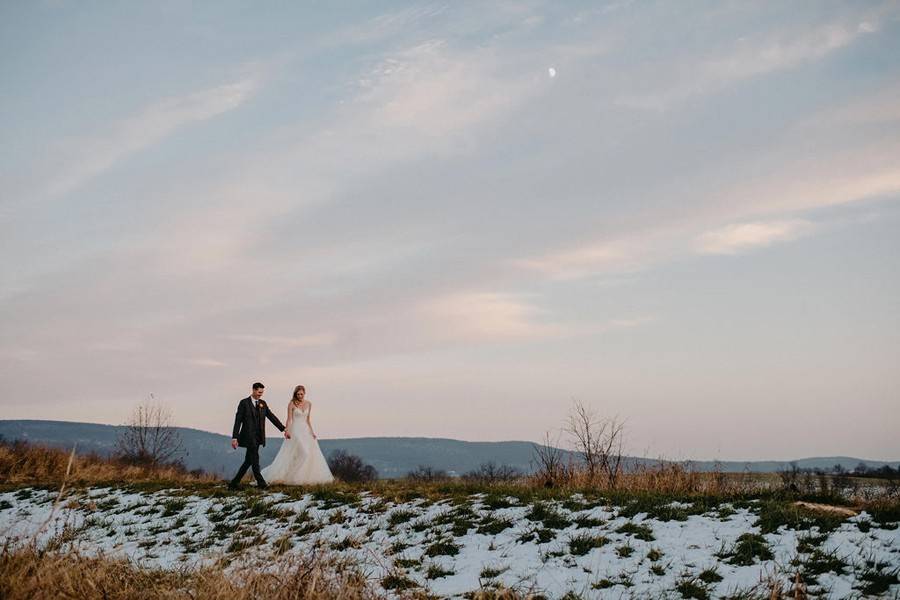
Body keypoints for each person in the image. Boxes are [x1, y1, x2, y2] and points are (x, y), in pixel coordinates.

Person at [261, 384, 334, 485]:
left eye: (302, 394)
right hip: (295, 431)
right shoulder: (292, 404)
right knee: (304, 453)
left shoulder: (309, 404)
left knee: (308, 454)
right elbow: (289, 419)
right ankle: (294, 476)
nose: (300, 396)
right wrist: (287, 430)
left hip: (306, 431)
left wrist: (312, 432)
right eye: (298, 394)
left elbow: (308, 420)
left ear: (304, 393)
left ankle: (303, 478)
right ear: (295, 394)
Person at [229, 382, 288, 489]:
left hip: (258, 437)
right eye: (259, 392)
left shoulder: (263, 404)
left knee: (248, 461)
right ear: (253, 390)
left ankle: (233, 484)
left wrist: (283, 428)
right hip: (248, 437)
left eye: (262, 393)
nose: (260, 395)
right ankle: (262, 484)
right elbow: (238, 421)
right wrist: (235, 437)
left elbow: (271, 417)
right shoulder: (244, 403)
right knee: (255, 460)